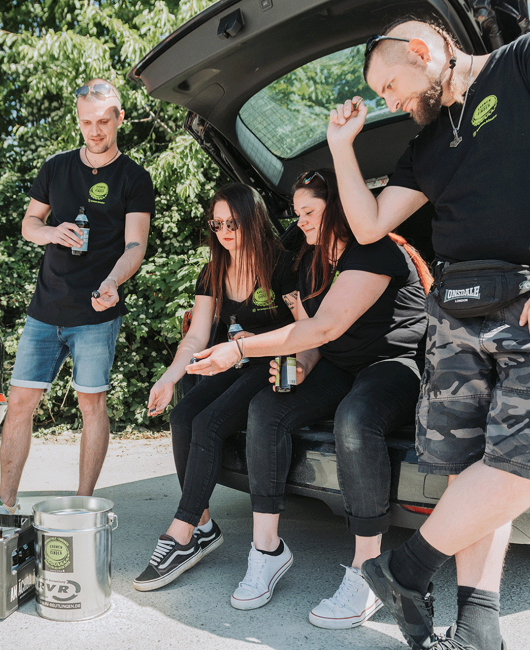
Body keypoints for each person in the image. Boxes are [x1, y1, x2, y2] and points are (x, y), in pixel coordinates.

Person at [327, 18, 530, 650]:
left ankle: (406, 569)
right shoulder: (426, 143)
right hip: (454, 310)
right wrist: (340, 147)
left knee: (521, 460)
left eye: (390, 86)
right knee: (464, 467)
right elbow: (369, 226)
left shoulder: (519, 64)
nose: (390, 101)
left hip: (524, 300)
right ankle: (476, 629)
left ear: (423, 51)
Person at [185, 169, 429, 627]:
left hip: (393, 363)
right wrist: (301, 365)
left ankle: (369, 570)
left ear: (338, 208)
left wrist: (239, 348)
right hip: (337, 363)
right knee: (266, 407)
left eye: (309, 212)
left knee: (355, 420)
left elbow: (324, 326)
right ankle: (267, 550)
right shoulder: (311, 260)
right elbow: (314, 338)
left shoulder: (373, 250)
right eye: (297, 213)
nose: (300, 222)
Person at [0, 79, 155, 514]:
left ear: (120, 118)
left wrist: (112, 282)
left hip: (97, 312)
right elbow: (29, 224)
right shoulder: (56, 167)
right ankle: (5, 505)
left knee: (91, 405)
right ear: (77, 121)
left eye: (103, 121)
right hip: (45, 310)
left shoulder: (135, 178)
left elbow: (135, 245)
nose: (94, 131)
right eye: (86, 122)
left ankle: (83, 506)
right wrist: (50, 232)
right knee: (19, 403)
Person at [133, 183, 299, 591]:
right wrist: (170, 377)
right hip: (233, 361)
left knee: (208, 423)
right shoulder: (213, 271)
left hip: (275, 363)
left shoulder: (282, 264)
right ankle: (203, 524)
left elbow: (306, 327)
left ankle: (181, 531)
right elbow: (196, 336)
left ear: (253, 220)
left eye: (233, 223)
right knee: (183, 416)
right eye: (217, 224)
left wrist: (269, 349)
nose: (224, 232)